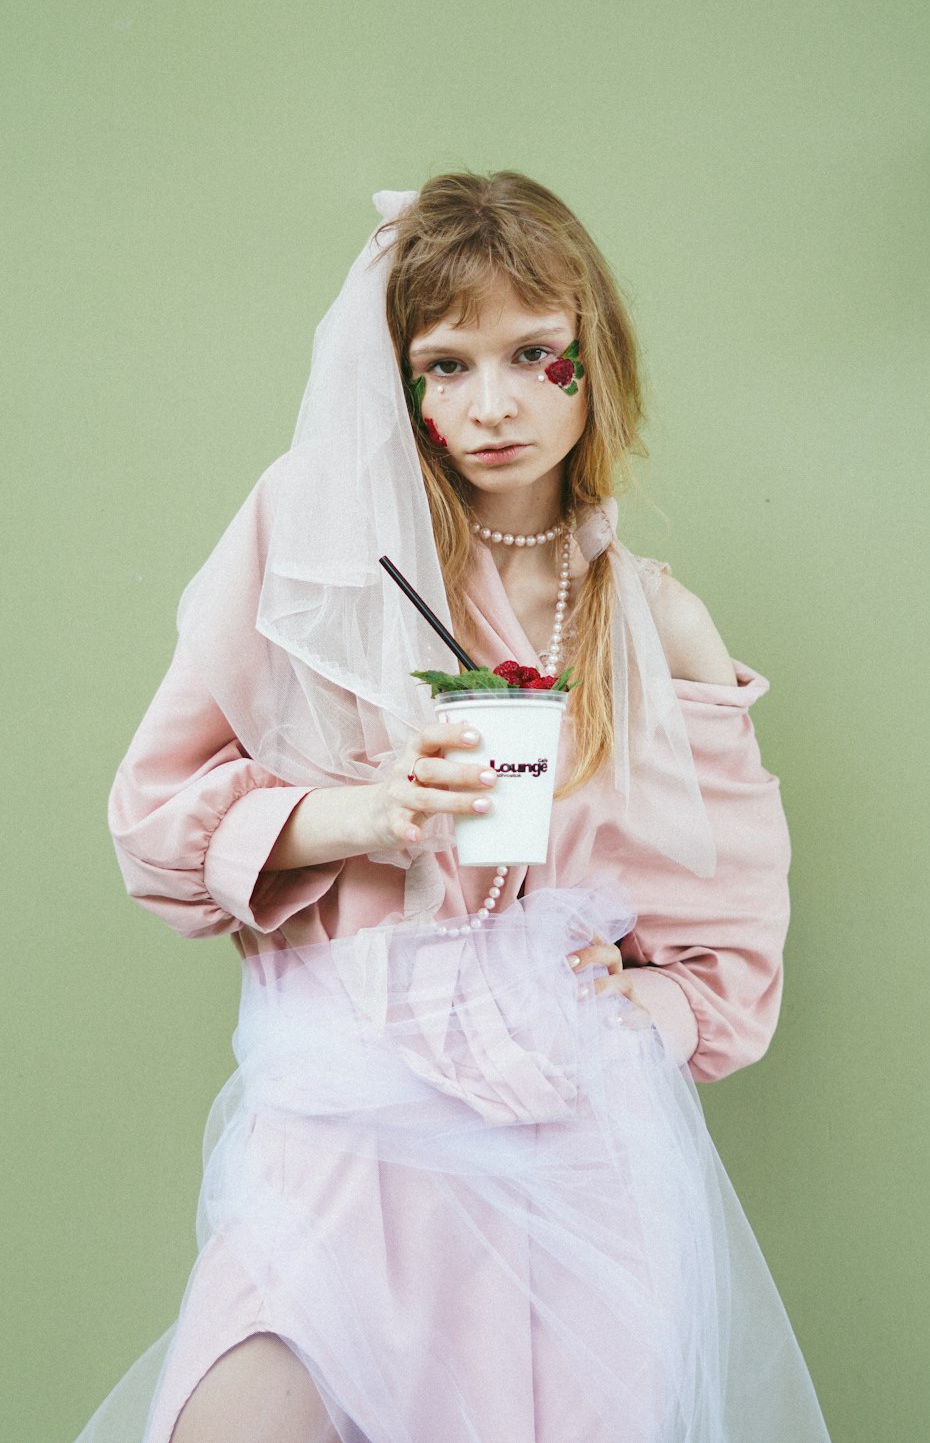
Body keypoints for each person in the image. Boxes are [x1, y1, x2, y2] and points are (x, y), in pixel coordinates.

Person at [75, 173, 832, 1442]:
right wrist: (365, 816)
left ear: (595, 365)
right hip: (343, 1118)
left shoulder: (650, 622)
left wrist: (629, 1002)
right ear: (396, 381)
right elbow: (153, 820)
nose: (492, 405)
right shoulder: (316, 546)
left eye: (537, 356)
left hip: (570, 1153)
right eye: (444, 364)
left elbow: (730, 964)